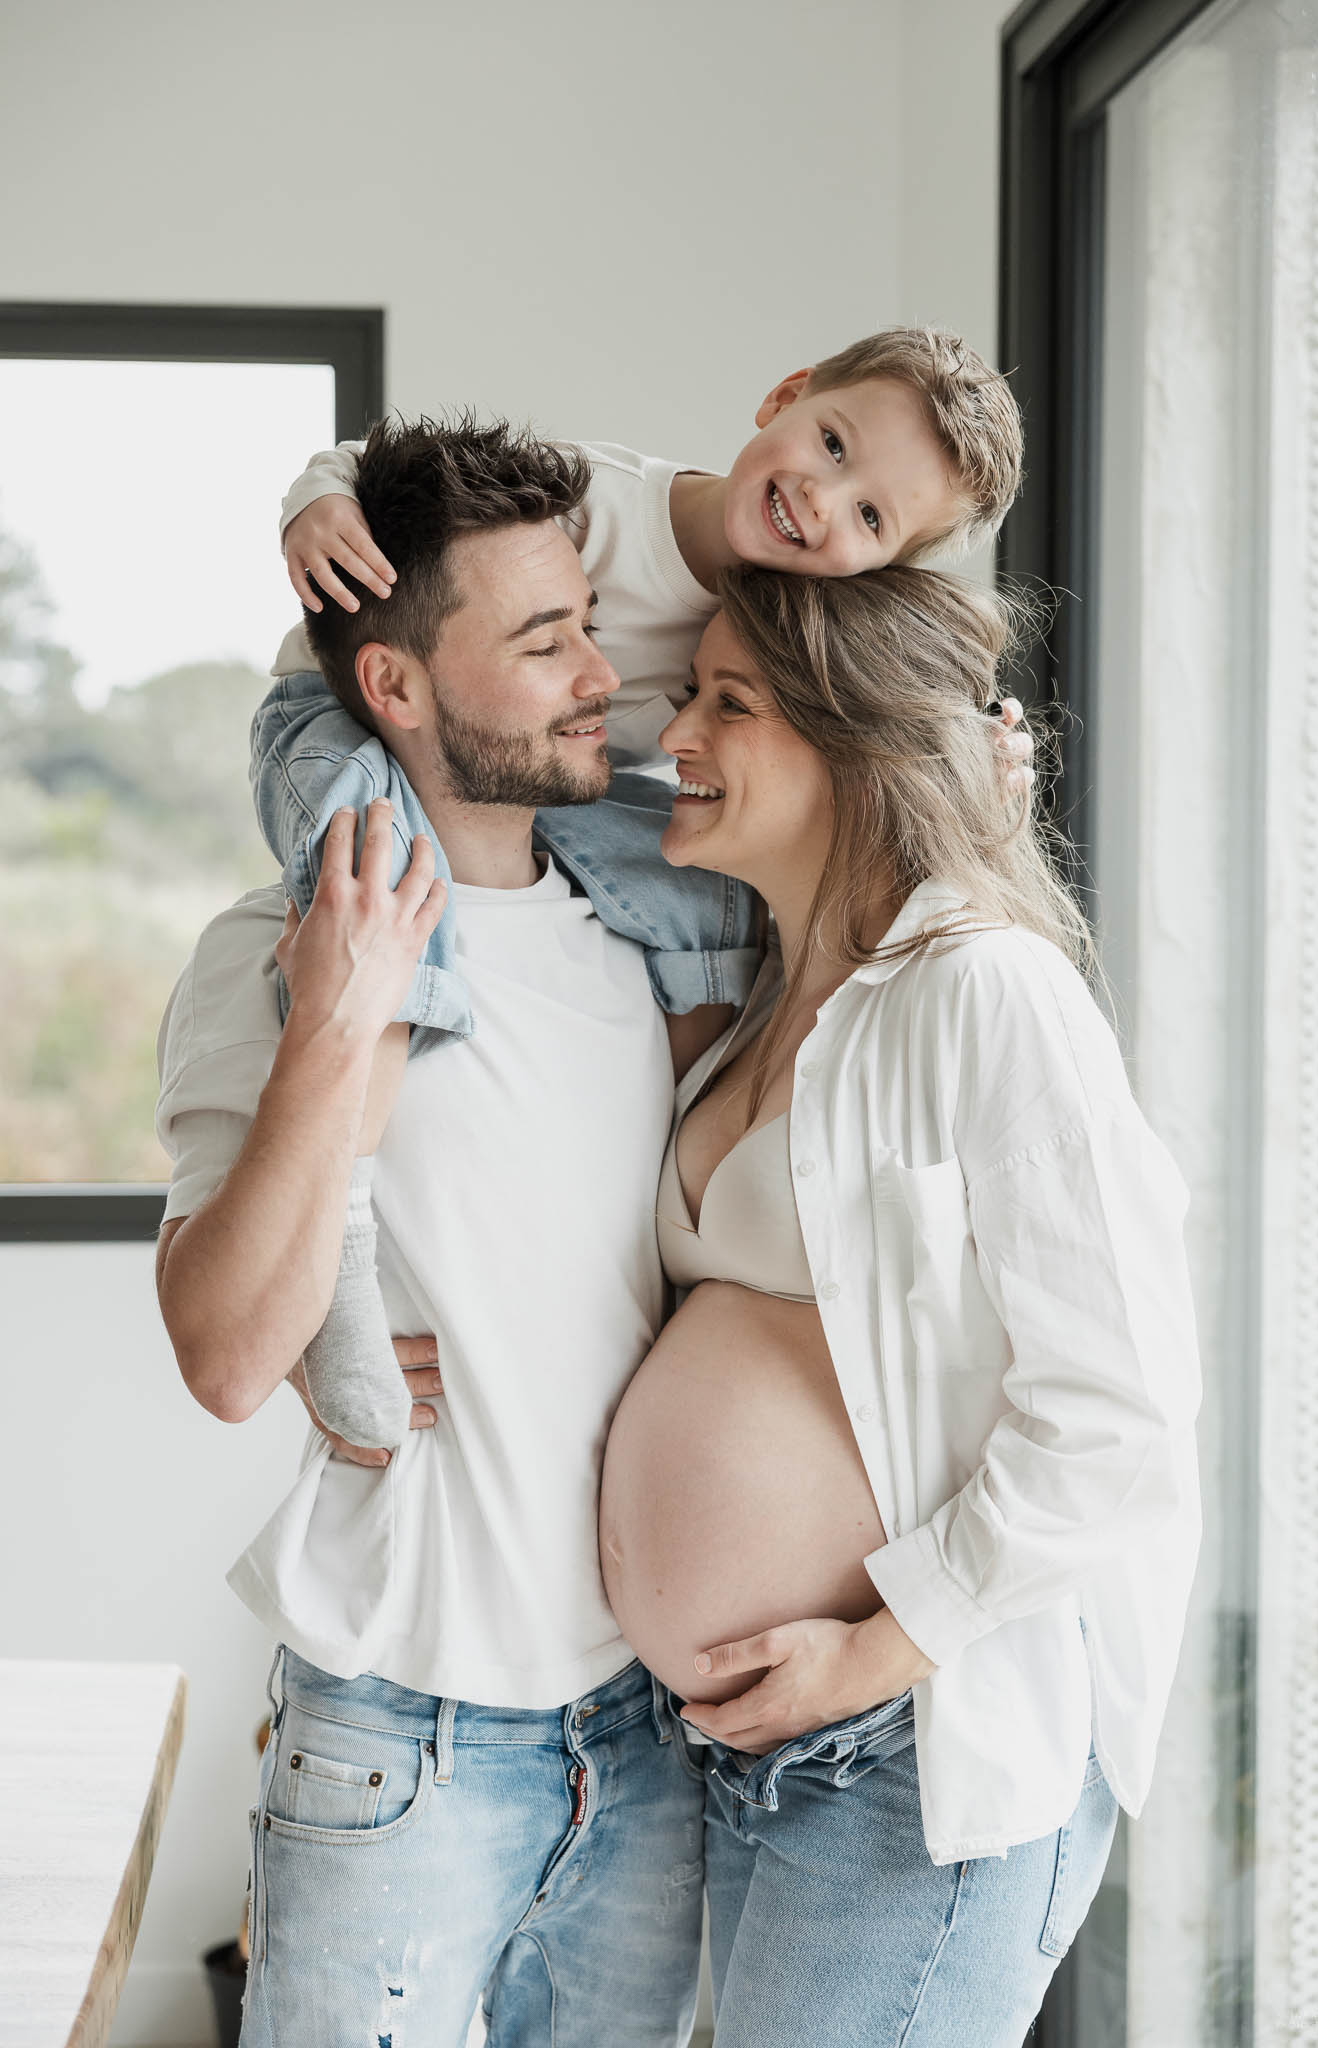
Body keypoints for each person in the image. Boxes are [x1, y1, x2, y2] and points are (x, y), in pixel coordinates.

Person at [155, 418, 758, 2048]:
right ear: (397, 690)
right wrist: (337, 1026)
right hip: (397, 1740)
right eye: (543, 638)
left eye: (589, 623)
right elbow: (224, 1352)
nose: (597, 675)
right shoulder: (271, 954)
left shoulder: (649, 939)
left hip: (647, 1731)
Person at [596, 565, 1203, 2046]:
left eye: (727, 702)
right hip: (750, 1748)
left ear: (857, 745)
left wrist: (873, 1648)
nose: (671, 729)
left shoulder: (985, 990)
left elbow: (1118, 1412)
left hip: (911, 1744)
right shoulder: (759, 993)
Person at [257, 325, 1028, 1450]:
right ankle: (346, 1252)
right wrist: (316, 505)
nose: (822, 501)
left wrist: (982, 754)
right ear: (787, 391)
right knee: (378, 889)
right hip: (344, 721)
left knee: (705, 898)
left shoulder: (787, 614)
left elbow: (884, 700)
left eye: (870, 517)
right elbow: (378, 469)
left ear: (886, 563)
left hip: (569, 789)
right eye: (829, 443)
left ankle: (663, 1157)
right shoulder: (599, 504)